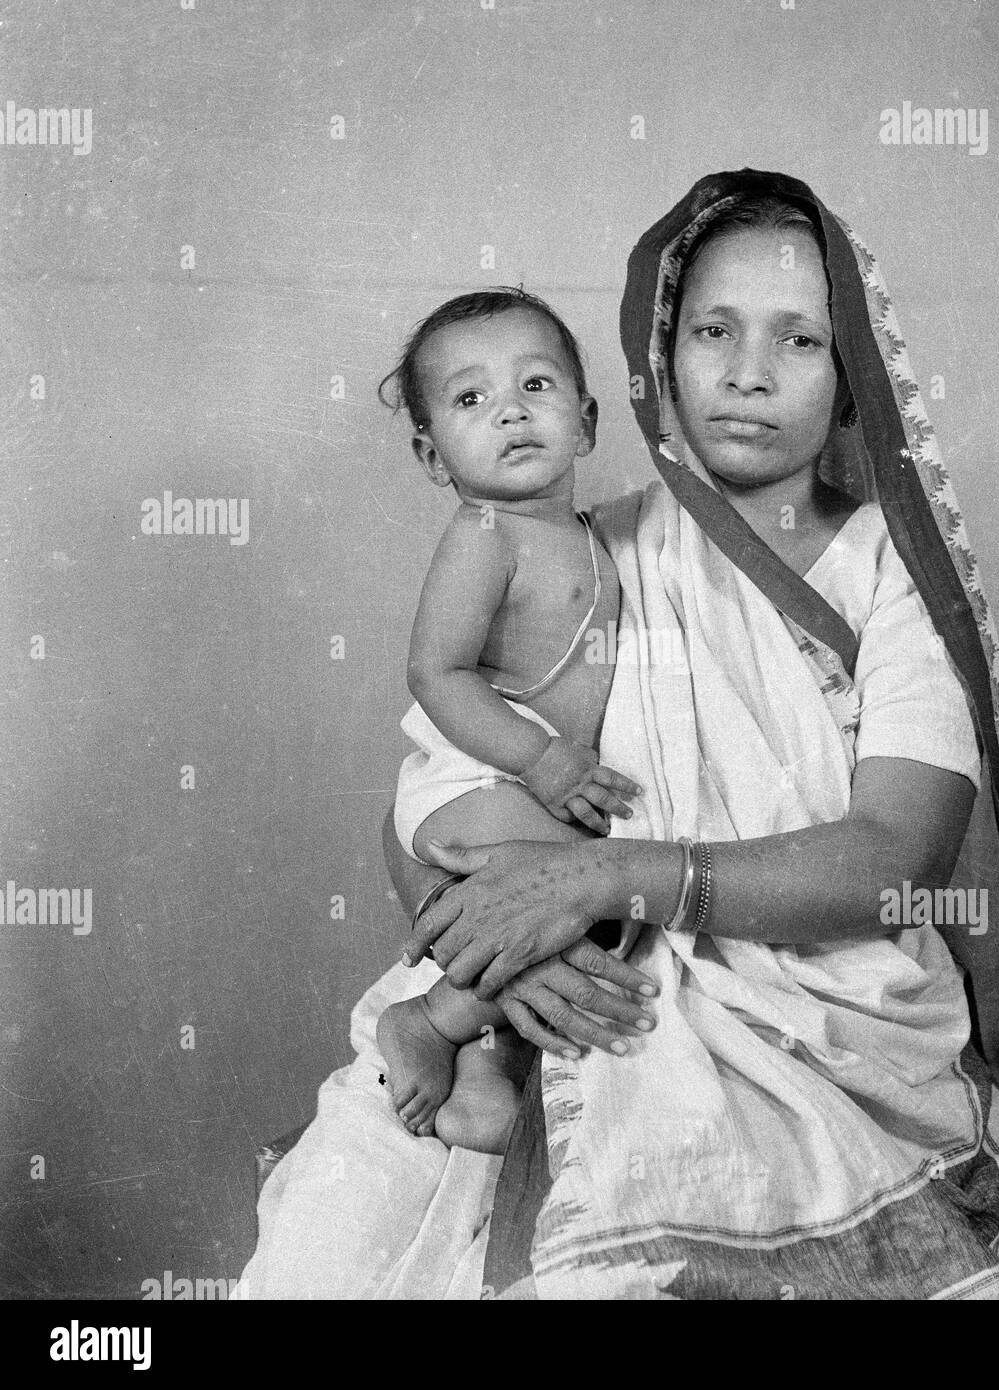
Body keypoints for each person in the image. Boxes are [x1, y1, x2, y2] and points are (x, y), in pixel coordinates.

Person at [239, 170, 999, 1300]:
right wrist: (517, 945)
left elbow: (899, 858)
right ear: (659, 355)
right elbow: (426, 805)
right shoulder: (592, 547)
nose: (746, 374)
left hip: (825, 1029)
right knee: (349, 1230)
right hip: (571, 995)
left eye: (798, 341)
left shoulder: (894, 577)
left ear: (852, 384)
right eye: (714, 332)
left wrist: (609, 876)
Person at [371, 287, 651, 1155]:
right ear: (431, 454)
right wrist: (542, 763)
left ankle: (490, 1065)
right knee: (563, 892)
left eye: (537, 386)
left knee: (578, 920)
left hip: (524, 779)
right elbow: (437, 673)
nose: (511, 413)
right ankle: (427, 1018)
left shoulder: (598, 534)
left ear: (588, 420)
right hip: (478, 773)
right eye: (470, 399)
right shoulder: (486, 533)